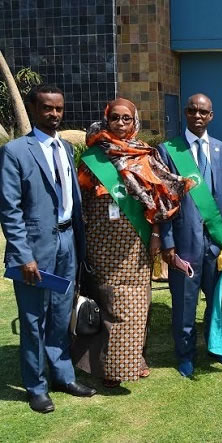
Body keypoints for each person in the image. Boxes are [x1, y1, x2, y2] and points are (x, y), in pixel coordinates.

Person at [72, 98, 193, 388]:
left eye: (126, 118)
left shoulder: (144, 154)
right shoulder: (92, 157)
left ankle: (132, 358)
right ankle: (111, 366)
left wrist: (156, 235)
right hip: (101, 242)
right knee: (108, 303)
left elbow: (160, 198)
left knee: (137, 304)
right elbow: (82, 201)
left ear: (134, 120)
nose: (120, 123)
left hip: (137, 242)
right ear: (106, 119)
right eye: (115, 118)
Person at [0, 84, 96, 413]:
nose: (54, 114)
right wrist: (23, 255)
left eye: (58, 108)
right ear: (33, 109)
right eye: (47, 108)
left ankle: (63, 376)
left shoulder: (65, 148)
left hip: (68, 242)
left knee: (60, 314)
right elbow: (10, 210)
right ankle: (36, 386)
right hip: (35, 250)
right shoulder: (15, 152)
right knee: (33, 319)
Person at [157, 94, 222, 377]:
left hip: (216, 241)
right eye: (192, 111)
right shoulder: (168, 150)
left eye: (203, 112)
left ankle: (218, 346)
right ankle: (185, 354)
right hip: (184, 242)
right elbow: (164, 200)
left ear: (211, 116)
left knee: (218, 300)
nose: (198, 116)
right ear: (185, 113)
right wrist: (167, 242)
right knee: (184, 304)